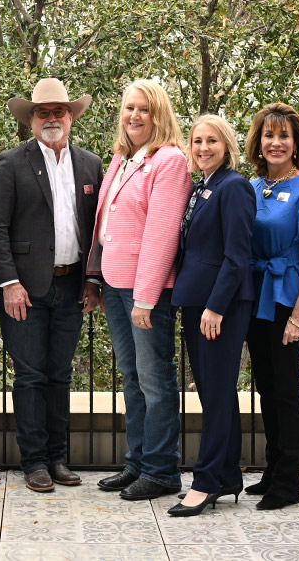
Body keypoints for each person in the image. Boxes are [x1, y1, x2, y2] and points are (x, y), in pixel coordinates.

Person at [0, 79, 104, 493]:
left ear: (71, 117)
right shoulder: (11, 163)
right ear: (32, 119)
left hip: (72, 286)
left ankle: (57, 458)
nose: (51, 118)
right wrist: (9, 282)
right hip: (24, 289)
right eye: (43, 112)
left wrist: (93, 280)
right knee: (30, 376)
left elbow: (96, 228)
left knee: (60, 374)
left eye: (59, 111)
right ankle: (34, 461)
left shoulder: (91, 164)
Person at [89, 80, 192, 500]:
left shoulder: (170, 160)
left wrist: (146, 297)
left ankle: (162, 470)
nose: (135, 115)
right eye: (130, 107)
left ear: (159, 115)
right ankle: (138, 462)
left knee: (155, 379)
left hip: (144, 290)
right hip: (115, 284)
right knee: (132, 377)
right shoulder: (123, 157)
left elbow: (162, 234)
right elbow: (106, 223)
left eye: (144, 109)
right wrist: (96, 279)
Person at [242, 103, 299, 510]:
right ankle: (272, 468)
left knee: (285, 390)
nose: (275, 143)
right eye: (268, 135)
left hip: (285, 300)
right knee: (265, 386)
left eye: (283, 136)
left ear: (296, 144)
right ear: (258, 142)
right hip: (256, 297)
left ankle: (287, 480)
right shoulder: (253, 186)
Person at [167, 115, 256, 517]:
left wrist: (217, 306)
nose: (204, 148)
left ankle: (204, 482)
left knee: (217, 394)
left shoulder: (234, 186)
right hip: (195, 302)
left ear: (227, 146)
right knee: (213, 393)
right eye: (197, 141)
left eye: (212, 141)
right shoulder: (201, 186)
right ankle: (228, 476)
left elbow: (238, 256)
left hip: (221, 306)